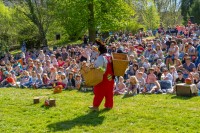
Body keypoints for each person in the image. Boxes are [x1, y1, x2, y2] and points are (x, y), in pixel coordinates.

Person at [89, 40, 115, 111]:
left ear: (99, 51)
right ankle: (109, 105)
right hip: (110, 77)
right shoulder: (110, 56)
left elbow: (98, 67)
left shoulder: (101, 57)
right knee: (109, 91)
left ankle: (95, 106)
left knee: (99, 91)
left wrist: (93, 66)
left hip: (103, 76)